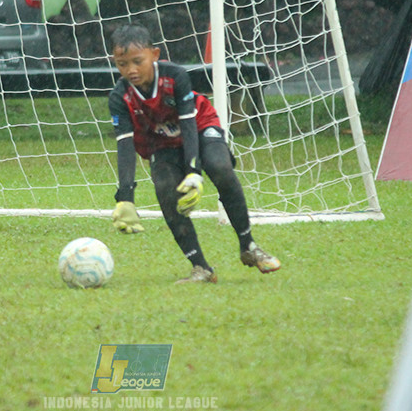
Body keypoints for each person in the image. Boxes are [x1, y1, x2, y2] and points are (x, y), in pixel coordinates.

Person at [106, 23, 281, 283]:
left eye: (137, 61)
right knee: (166, 190)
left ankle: (249, 246)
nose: (130, 70)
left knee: (220, 166)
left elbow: (188, 125)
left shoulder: (175, 76)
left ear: (155, 54)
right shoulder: (119, 97)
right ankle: (201, 267)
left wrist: (193, 172)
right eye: (122, 64)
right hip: (161, 144)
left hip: (199, 127)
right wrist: (125, 198)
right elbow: (125, 147)